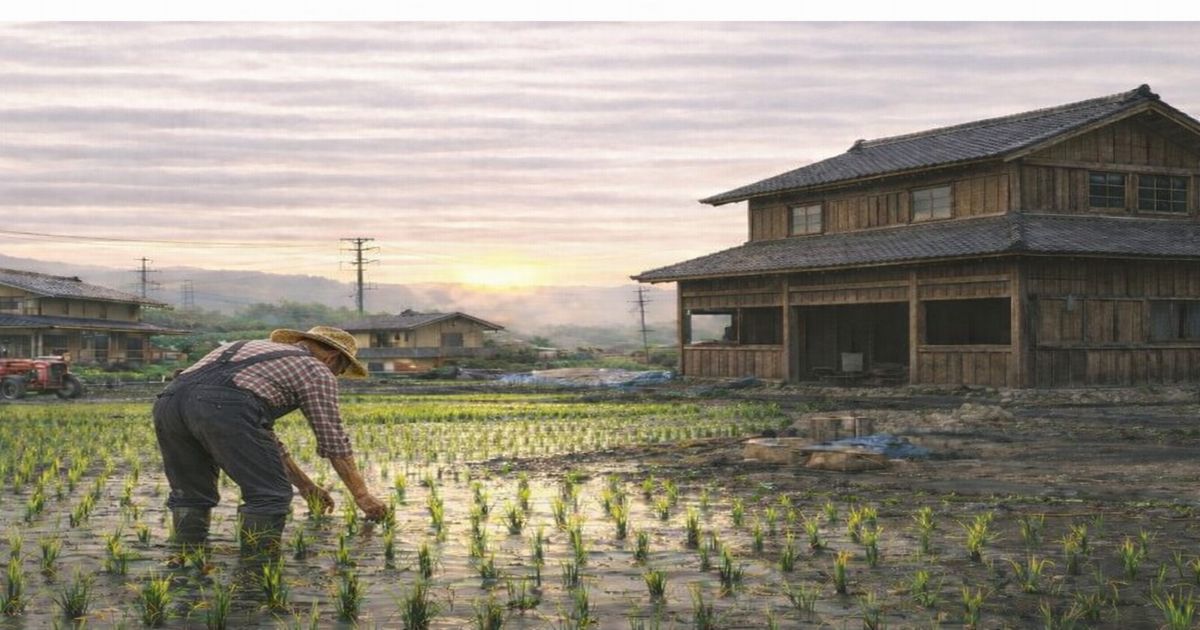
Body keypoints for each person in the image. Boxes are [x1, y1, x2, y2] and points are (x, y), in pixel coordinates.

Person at [152, 326, 387, 561]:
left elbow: (260, 433)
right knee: (268, 496)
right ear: (333, 357)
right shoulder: (316, 369)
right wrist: (362, 495)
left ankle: (185, 563)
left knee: (190, 494)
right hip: (223, 408)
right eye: (341, 370)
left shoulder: (250, 348)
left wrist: (305, 486)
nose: (336, 376)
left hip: (168, 403)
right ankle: (256, 573)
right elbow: (333, 440)